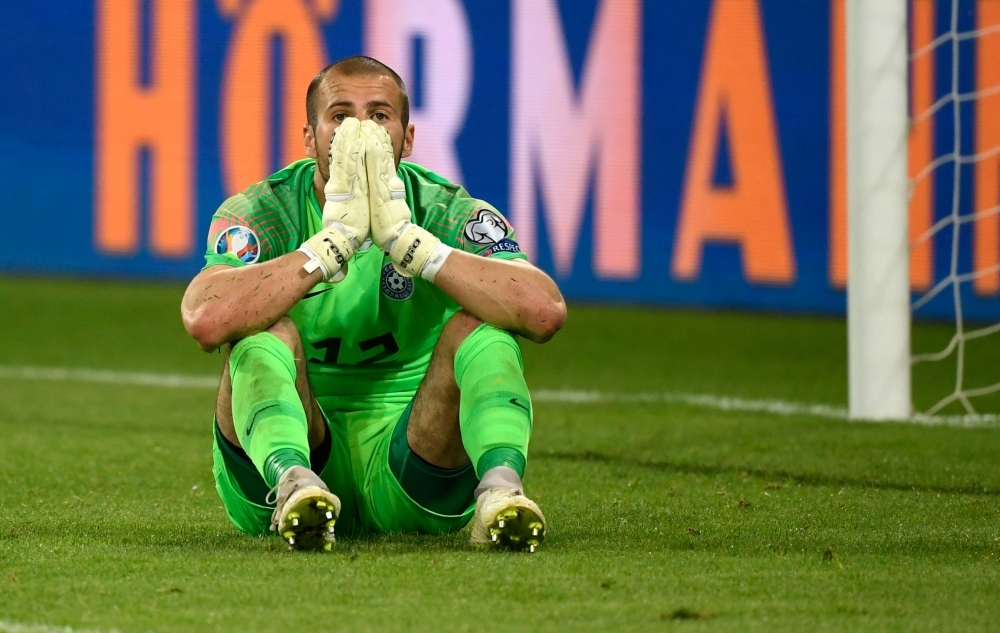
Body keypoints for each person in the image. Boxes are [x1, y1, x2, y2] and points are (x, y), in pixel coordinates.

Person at [181, 56, 566, 552]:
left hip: (415, 463)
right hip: (285, 459)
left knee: (484, 330)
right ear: (310, 137)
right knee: (261, 335)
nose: (360, 130)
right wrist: (327, 247)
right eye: (340, 116)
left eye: (380, 115)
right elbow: (206, 319)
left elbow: (543, 311)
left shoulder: (443, 211)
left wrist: (414, 246)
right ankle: (294, 482)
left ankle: (500, 492)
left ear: (406, 139)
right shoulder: (264, 212)